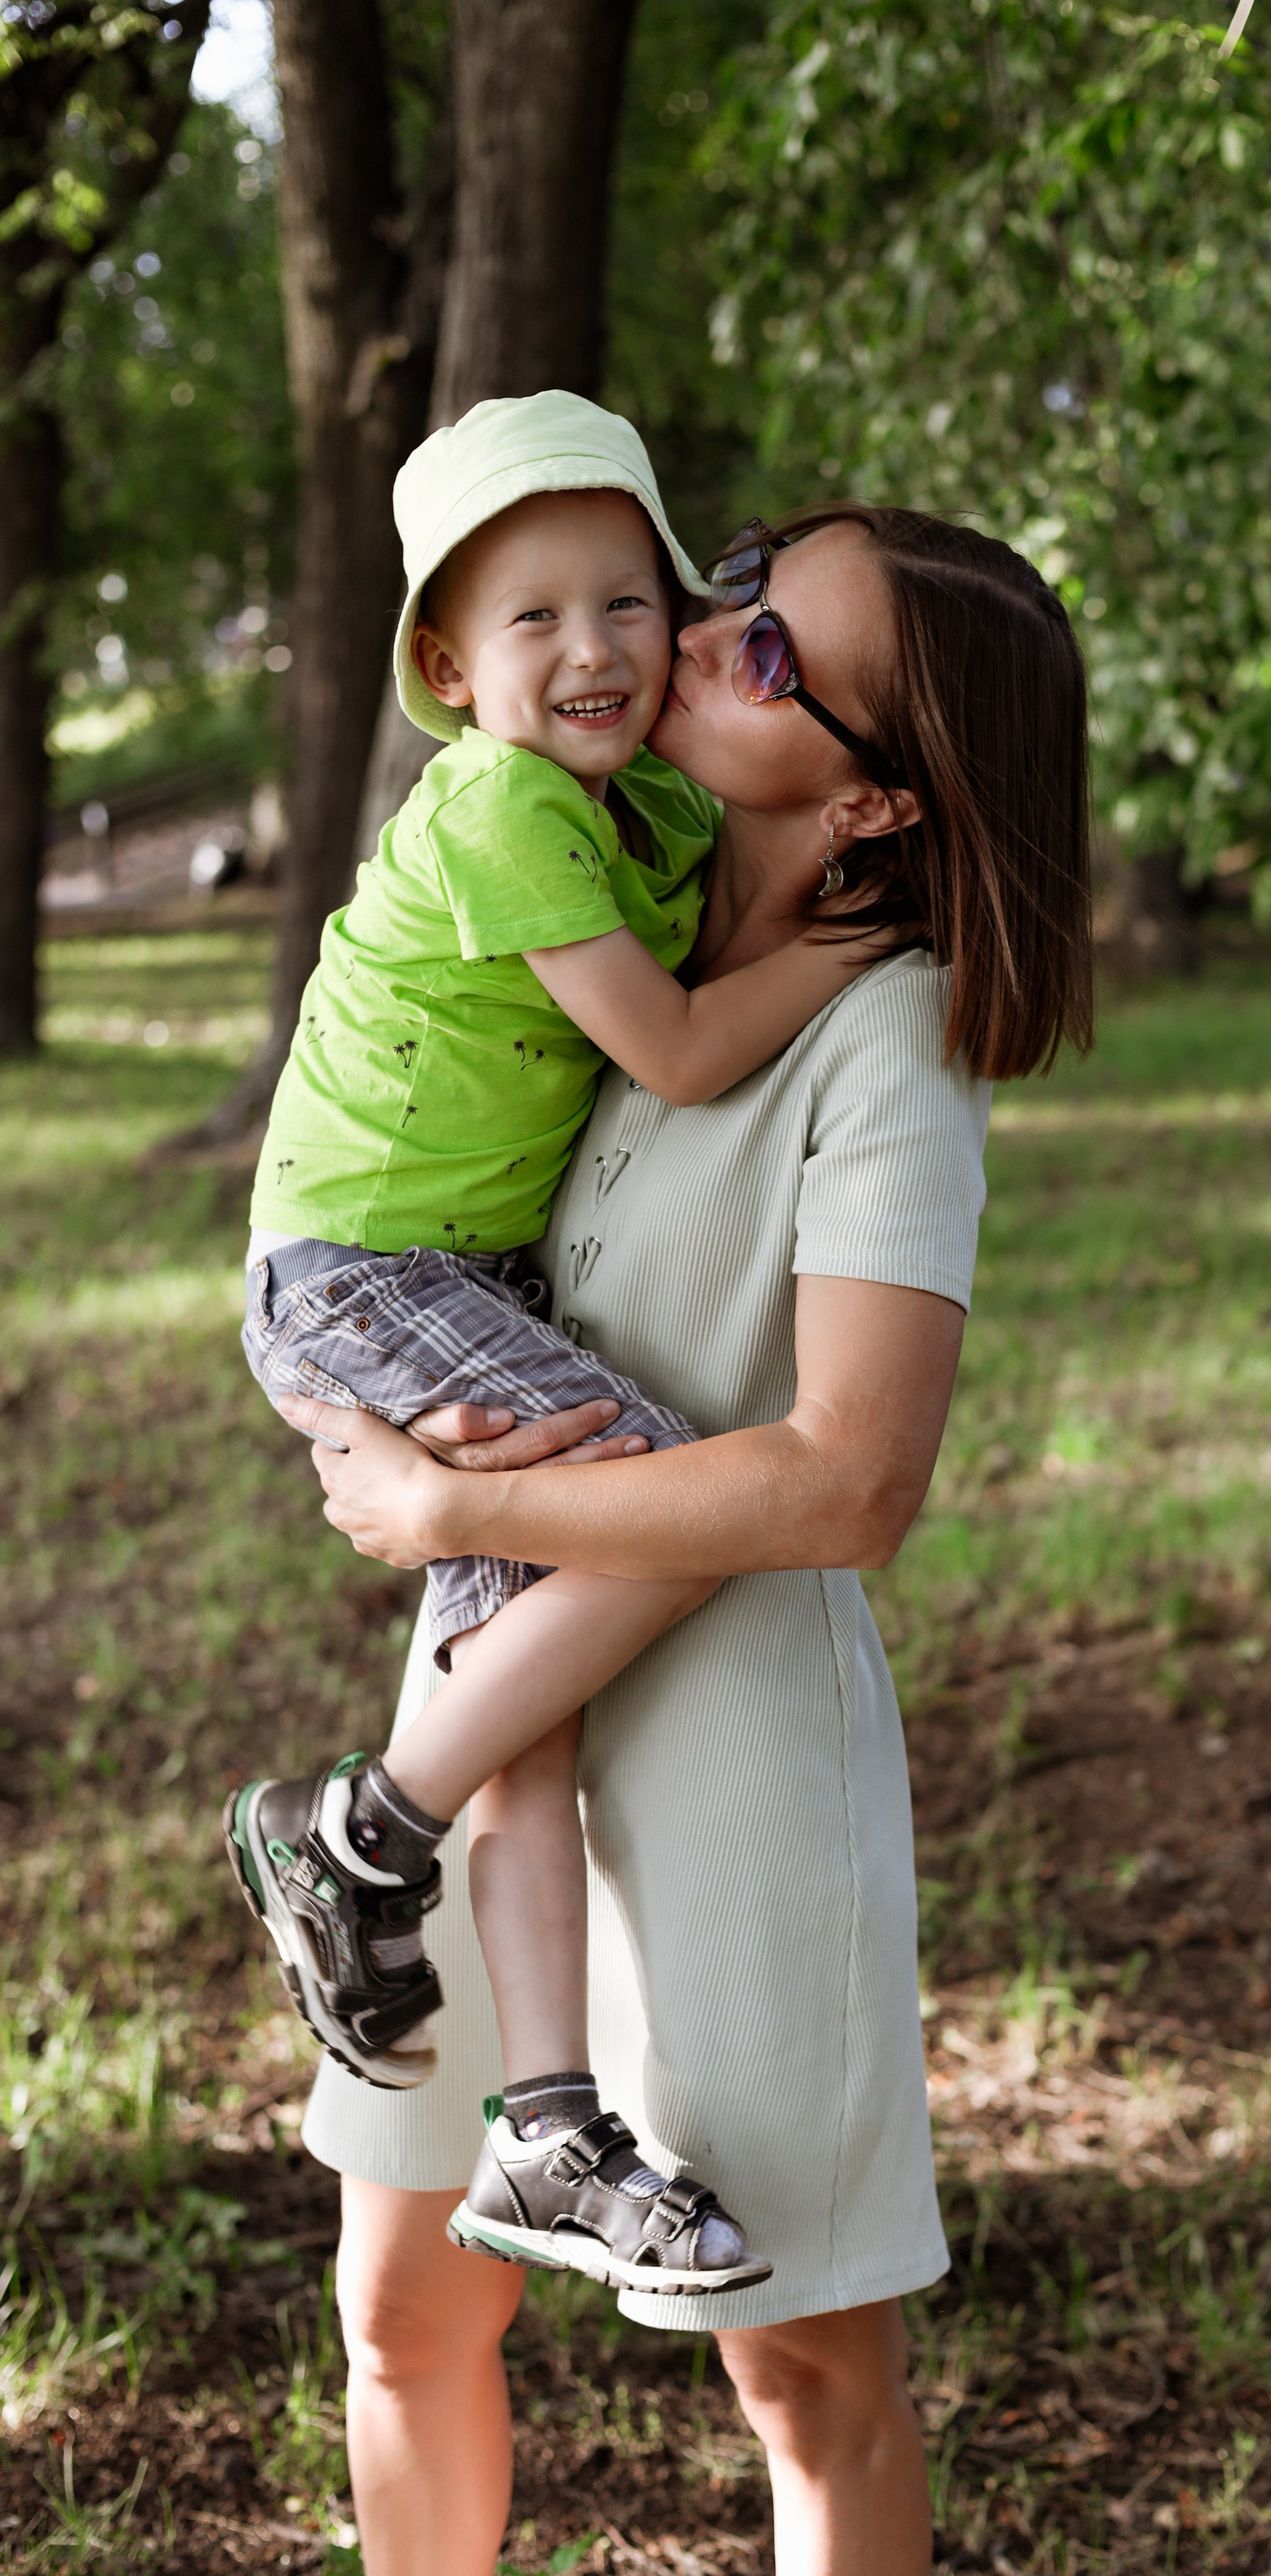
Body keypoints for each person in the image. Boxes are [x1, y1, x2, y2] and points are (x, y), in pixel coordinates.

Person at [276, 503, 1094, 2576]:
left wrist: (460, 1495)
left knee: (803, 2379)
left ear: (879, 794)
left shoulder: (882, 1034)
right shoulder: (587, 930)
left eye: (768, 651)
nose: (698, 635)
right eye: (731, 585)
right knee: (402, 2304)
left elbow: (852, 1479)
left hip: (729, 1750)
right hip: (499, 1692)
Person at [231, 392, 884, 2293]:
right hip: (360, 1261)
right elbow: (679, 1045)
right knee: (645, 1499)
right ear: (444, 663)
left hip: (463, 1274)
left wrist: (827, 827)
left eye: (628, 602)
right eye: (532, 620)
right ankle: (355, 1830)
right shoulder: (505, 804)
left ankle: (544, 2124)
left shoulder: (649, 802)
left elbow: (720, 898)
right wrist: (847, 945)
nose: (591, 650)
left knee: (533, 1682)